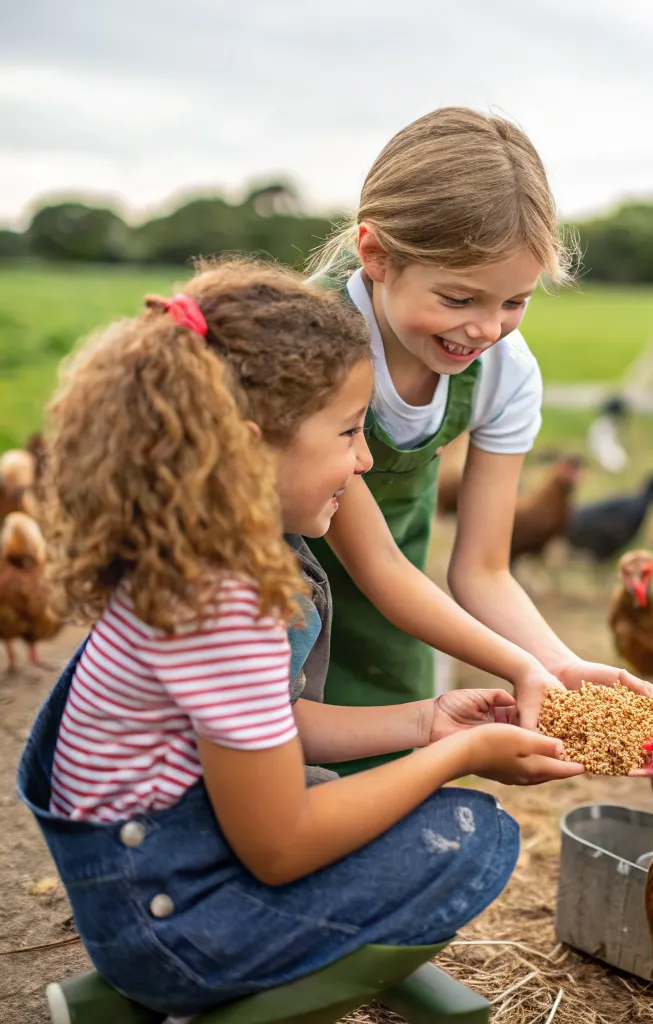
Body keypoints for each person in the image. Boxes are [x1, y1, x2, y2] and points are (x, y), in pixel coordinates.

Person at [17, 261, 583, 1017]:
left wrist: (424, 723)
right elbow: (280, 845)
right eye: (350, 431)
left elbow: (263, 729)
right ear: (251, 451)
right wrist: (461, 757)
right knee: (467, 835)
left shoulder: (193, 553)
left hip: (147, 868)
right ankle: (225, 1007)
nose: (365, 458)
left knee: (378, 806)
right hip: (167, 916)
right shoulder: (227, 603)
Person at [306, 107, 653, 775]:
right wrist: (520, 666)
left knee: (387, 795)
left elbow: (482, 568)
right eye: (458, 298)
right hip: (271, 615)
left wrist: (555, 665)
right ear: (377, 255)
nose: (486, 329)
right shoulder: (312, 348)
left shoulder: (504, 370)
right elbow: (373, 565)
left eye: (514, 302)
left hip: (398, 621)